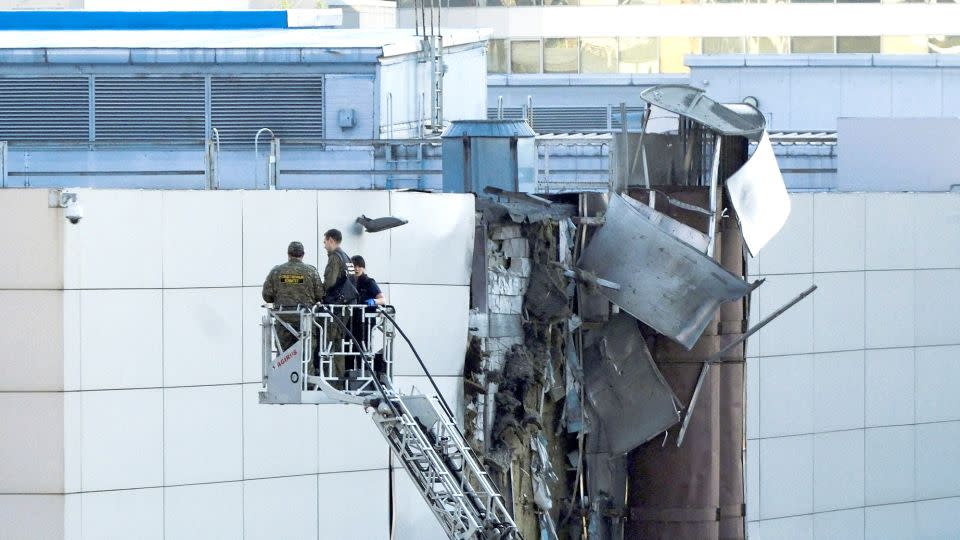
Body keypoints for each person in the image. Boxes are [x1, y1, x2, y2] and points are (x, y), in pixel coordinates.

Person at [261, 241, 323, 355]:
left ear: (288, 254)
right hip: (305, 320)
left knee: (283, 357)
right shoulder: (311, 271)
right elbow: (320, 294)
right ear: (303, 255)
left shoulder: (276, 271)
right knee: (306, 357)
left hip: (283, 319)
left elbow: (266, 295)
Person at [320, 229, 359, 381]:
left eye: (325, 242)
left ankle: (331, 378)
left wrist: (320, 295)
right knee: (338, 343)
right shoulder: (347, 258)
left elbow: (330, 282)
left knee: (329, 342)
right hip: (346, 305)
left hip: (336, 306)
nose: (324, 245)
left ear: (331, 240)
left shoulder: (335, 258)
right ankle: (338, 378)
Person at [351, 255, 389, 378]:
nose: (356, 269)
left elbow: (382, 300)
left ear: (363, 267)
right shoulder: (348, 282)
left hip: (365, 323)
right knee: (349, 351)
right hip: (350, 322)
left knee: (364, 349)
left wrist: (371, 302)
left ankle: (365, 375)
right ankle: (350, 375)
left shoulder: (368, 282)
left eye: (359, 266)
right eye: (353, 266)